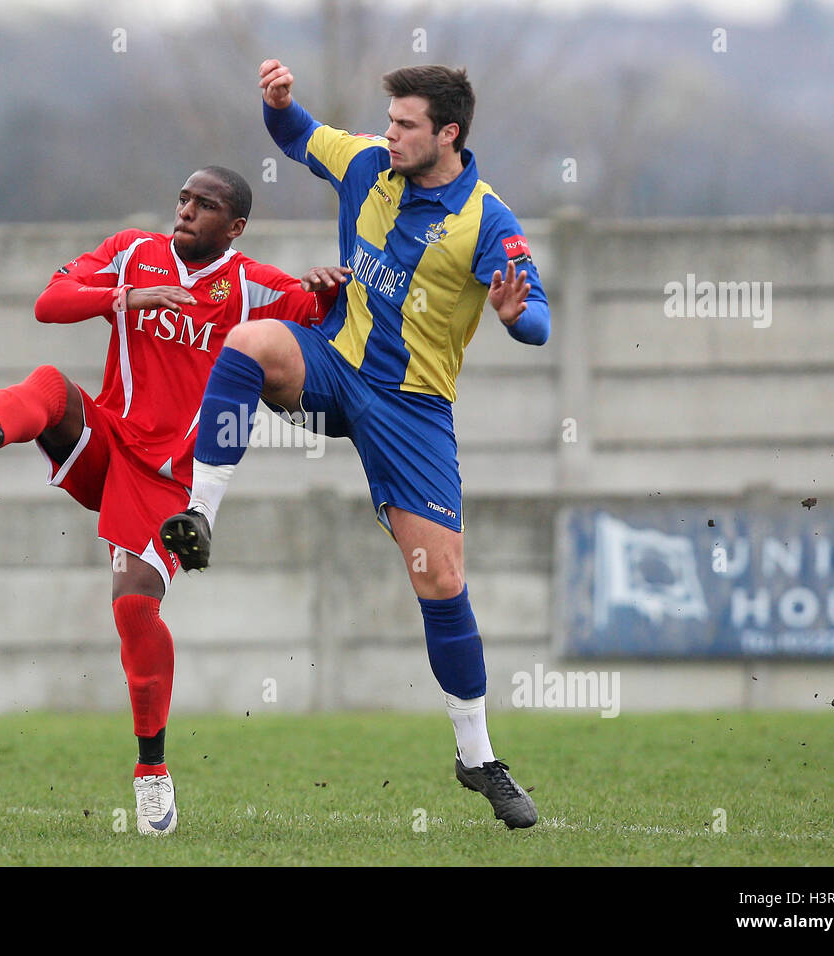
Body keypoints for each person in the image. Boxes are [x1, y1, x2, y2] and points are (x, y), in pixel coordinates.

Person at [160, 64, 550, 829]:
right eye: (390, 119)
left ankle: (476, 758)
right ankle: (198, 514)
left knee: (440, 582)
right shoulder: (368, 160)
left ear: (449, 134)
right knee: (248, 344)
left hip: (412, 410)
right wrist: (277, 103)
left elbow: (537, 320)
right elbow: (296, 136)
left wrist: (512, 315)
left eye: (406, 124)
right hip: (335, 368)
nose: (391, 132)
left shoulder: (487, 220)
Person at [0, 166, 345, 836]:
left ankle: (152, 773)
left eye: (204, 205)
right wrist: (126, 297)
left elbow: (325, 329)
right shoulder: (132, 251)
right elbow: (51, 301)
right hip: (108, 441)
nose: (185, 210)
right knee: (50, 384)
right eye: (182, 198)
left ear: (235, 227)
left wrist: (330, 293)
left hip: (171, 479)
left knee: (131, 608)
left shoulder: (256, 286)